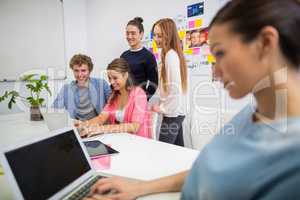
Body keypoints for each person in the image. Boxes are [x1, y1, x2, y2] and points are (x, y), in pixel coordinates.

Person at [84, 0, 300, 199]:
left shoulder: (292, 160)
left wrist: (160, 106)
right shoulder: (253, 112)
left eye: (221, 53)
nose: (215, 73)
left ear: (265, 43)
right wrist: (139, 188)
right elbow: (204, 169)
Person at [75, 58, 151, 139]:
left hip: (138, 141)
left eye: (115, 78)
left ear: (125, 75)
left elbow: (134, 127)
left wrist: (103, 128)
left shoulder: (139, 94)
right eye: (109, 78)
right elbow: (101, 118)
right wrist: (84, 124)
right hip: (121, 139)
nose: (111, 82)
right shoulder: (114, 95)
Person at [151, 18, 188, 147]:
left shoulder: (170, 56)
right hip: (176, 112)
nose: (156, 39)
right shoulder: (169, 54)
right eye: (154, 35)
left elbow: (175, 89)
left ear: (169, 35)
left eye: (160, 35)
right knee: (178, 151)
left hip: (173, 113)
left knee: (163, 151)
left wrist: (161, 108)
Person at [53, 54, 111, 120]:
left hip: (98, 125)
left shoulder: (101, 84)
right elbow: (55, 110)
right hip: (77, 126)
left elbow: (113, 106)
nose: (80, 74)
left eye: (83, 70)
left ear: (89, 71)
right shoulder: (66, 89)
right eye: (76, 71)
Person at [121, 17, 158, 100]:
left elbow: (154, 83)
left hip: (138, 101)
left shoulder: (148, 56)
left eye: (133, 33)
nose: (129, 36)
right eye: (127, 33)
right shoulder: (123, 56)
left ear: (141, 34)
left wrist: (144, 98)